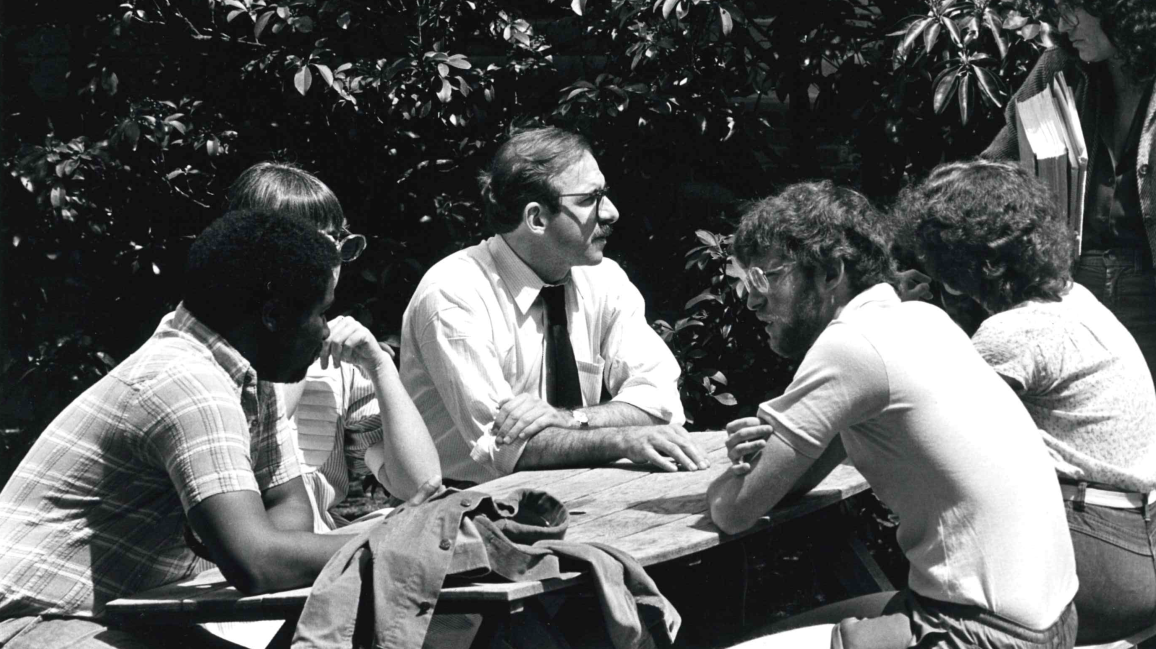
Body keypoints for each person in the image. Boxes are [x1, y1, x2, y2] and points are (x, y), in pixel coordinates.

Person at [706, 181, 1078, 649]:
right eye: (747, 283)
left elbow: (735, 512)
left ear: (830, 273)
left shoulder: (851, 345)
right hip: (1052, 622)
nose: (753, 301)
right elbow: (794, 478)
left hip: (980, 632)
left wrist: (727, 479)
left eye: (765, 278)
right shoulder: (923, 321)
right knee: (771, 635)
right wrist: (764, 468)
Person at [0, 211, 356, 649]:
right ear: (272, 315)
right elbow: (262, 564)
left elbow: (287, 515)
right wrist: (402, 541)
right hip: (32, 619)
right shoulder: (186, 383)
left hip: (118, 617)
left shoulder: (247, 375)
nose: (324, 330)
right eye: (321, 312)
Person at [983, 0, 1156, 567]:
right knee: (1082, 472)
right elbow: (995, 162)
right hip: (1071, 294)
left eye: (1075, 6)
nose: (1063, 22)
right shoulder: (1061, 70)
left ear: (1121, 1)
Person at [894, 159, 1156, 644]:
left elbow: (916, 439)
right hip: (1148, 552)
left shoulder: (1011, 334)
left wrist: (906, 319)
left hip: (1098, 563)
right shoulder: (1075, 299)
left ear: (960, 268)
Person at [400, 126, 708, 484]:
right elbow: (508, 448)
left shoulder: (603, 279)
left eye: (604, 194)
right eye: (590, 199)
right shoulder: (453, 294)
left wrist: (572, 419)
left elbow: (661, 400)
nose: (611, 212)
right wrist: (622, 436)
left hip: (574, 490)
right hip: (458, 510)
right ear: (536, 218)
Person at [226, 162, 442, 530]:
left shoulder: (339, 362)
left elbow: (420, 485)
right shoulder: (211, 348)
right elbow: (243, 460)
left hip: (314, 557)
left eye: (337, 244)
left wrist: (379, 367)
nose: (331, 264)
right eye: (310, 244)